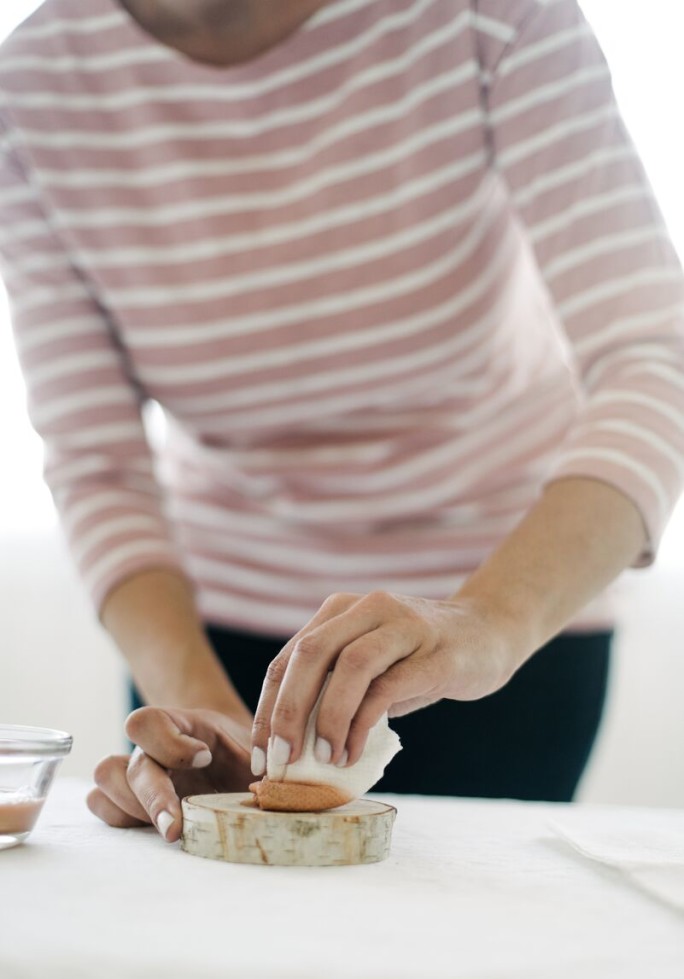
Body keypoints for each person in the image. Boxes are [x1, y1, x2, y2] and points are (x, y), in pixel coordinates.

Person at [1, 0, 683, 842]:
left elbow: (654, 357)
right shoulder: (31, 88)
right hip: (210, 635)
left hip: (504, 621)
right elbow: (96, 461)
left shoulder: (488, 17)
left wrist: (485, 620)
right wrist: (200, 700)